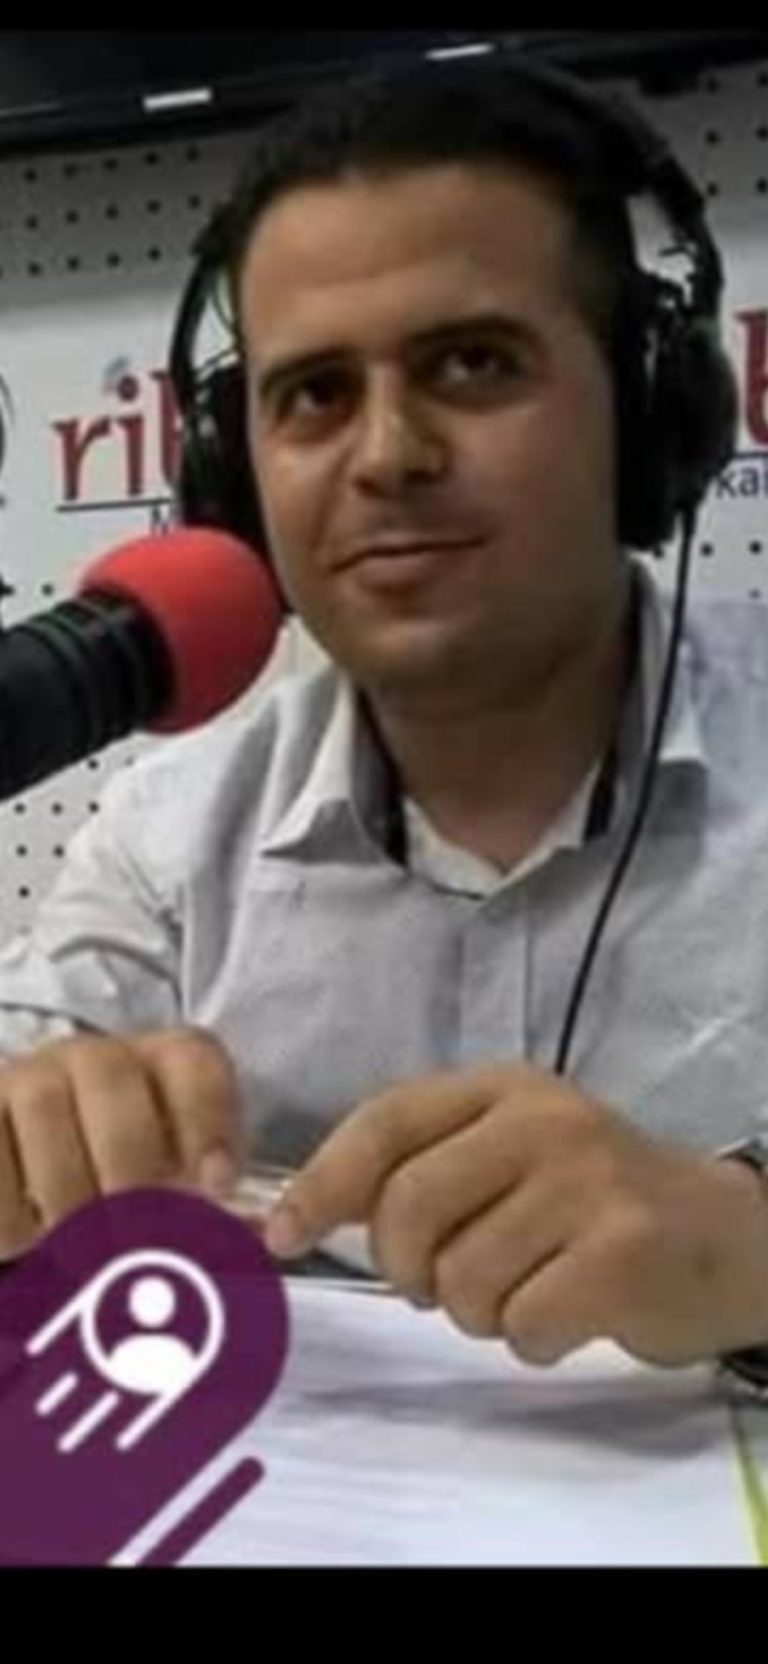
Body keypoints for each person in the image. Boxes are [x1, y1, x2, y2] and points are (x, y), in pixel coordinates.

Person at [0, 52, 767, 1382]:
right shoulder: (170, 839)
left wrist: (745, 1246)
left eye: (472, 363)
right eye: (314, 395)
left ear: (650, 412)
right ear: (234, 469)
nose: (388, 455)